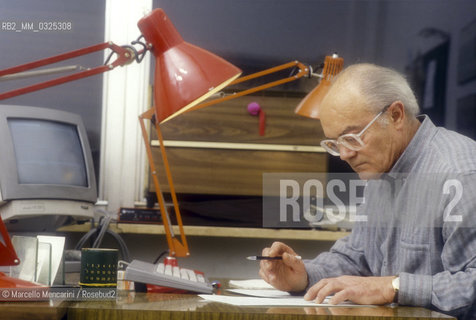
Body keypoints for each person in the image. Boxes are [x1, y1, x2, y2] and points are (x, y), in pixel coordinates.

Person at [259, 63, 476, 319]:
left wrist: (393, 286)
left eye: (352, 137)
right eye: (335, 143)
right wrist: (303, 275)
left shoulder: (460, 174)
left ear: (395, 115)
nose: (344, 154)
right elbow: (358, 257)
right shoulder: (381, 168)